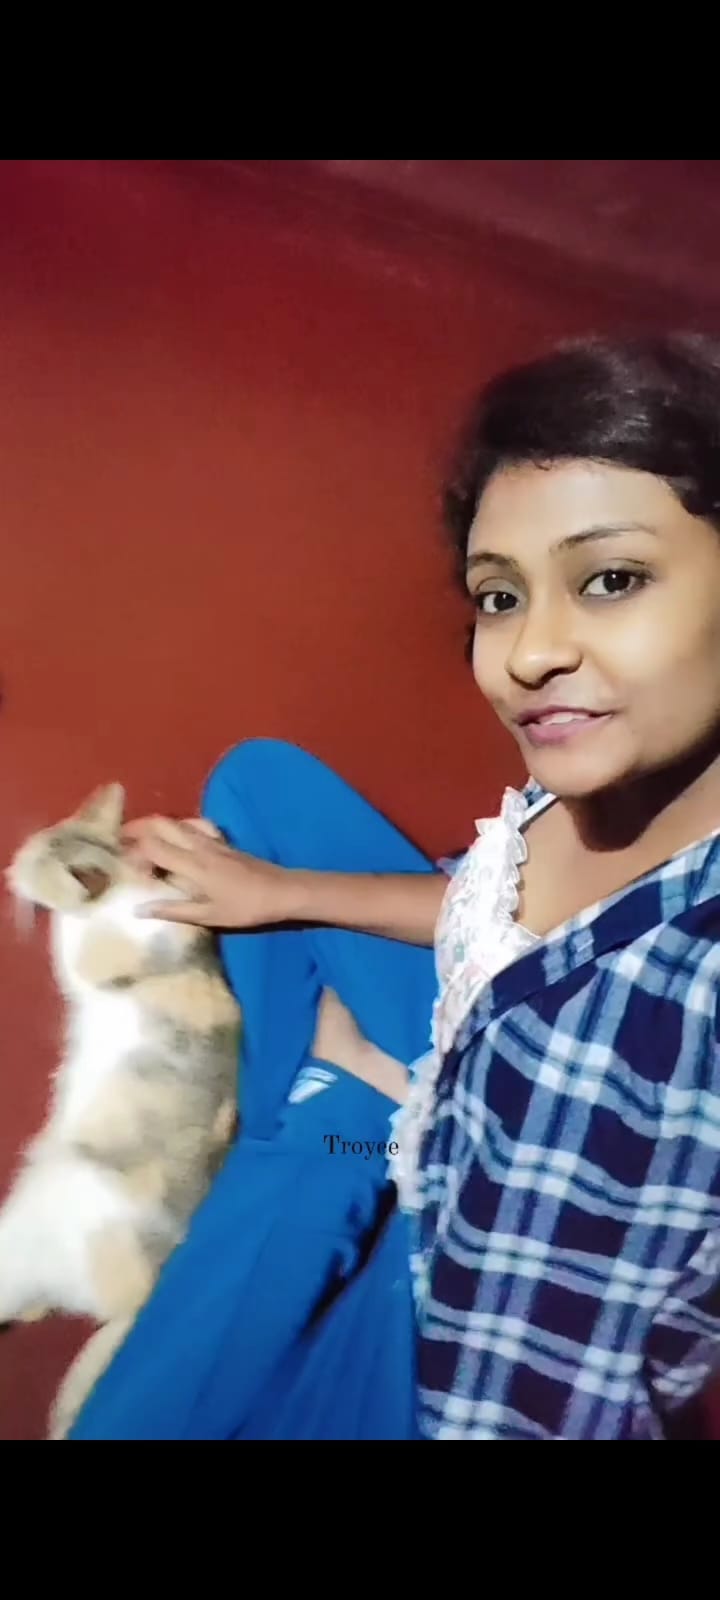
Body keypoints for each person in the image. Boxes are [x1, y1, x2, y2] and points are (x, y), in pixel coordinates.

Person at [68, 332, 720, 1441]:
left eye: (611, 580)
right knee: (258, 784)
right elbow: (488, 909)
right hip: (442, 1135)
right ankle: (347, 1104)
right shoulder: (578, 785)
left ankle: (326, 1135)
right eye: (500, 596)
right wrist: (278, 891)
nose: (528, 654)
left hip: (435, 1378)